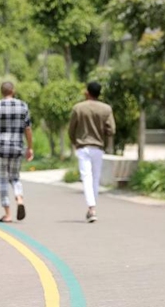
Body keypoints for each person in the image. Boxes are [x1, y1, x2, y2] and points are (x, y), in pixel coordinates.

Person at [0, 82, 33, 223]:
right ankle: (19, 198)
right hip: (17, 147)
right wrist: (30, 147)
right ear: (13, 91)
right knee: (15, 177)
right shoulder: (23, 106)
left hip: (0, 148)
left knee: (1, 180)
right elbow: (28, 129)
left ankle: (8, 213)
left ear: (1, 92)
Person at [68, 81, 115, 223]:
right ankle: (93, 208)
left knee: (86, 178)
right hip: (98, 147)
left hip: (83, 147)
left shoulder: (78, 108)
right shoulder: (106, 109)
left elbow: (71, 129)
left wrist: (75, 142)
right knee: (95, 179)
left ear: (87, 92)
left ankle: (91, 208)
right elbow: (111, 130)